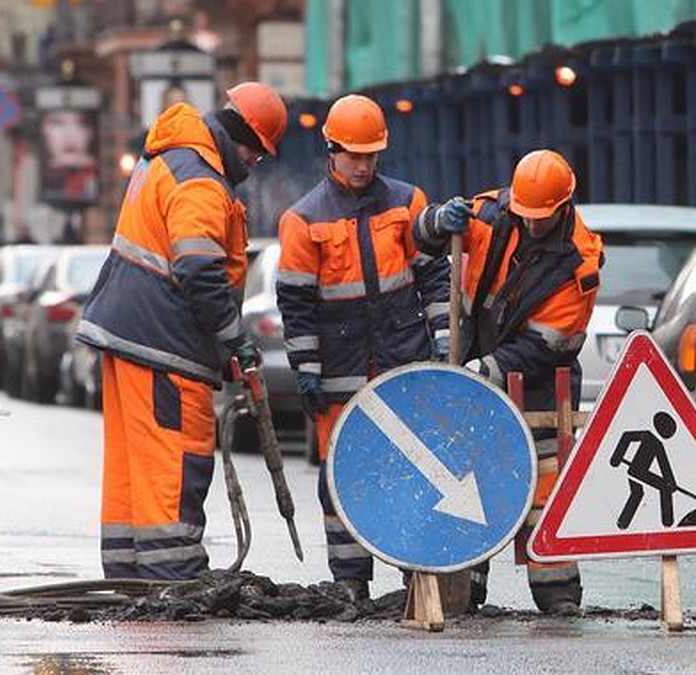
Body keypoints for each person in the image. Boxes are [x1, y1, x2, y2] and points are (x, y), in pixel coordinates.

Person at [75, 82, 288, 579]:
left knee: (135, 469)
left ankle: (131, 577)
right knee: (174, 462)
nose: (255, 165)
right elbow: (198, 269)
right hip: (163, 346)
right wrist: (233, 337)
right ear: (243, 140)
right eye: (256, 155)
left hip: (130, 339)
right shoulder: (201, 181)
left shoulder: (169, 160)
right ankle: (171, 576)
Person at [276, 94, 451, 601]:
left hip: (402, 361)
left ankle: (415, 573)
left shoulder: (407, 203)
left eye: (371, 155)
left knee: (414, 466)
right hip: (340, 369)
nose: (363, 165)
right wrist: (306, 369)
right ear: (331, 150)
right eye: (354, 155)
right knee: (342, 475)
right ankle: (350, 580)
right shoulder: (302, 220)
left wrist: (441, 341)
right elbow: (297, 304)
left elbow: (434, 280)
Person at [414, 149, 604, 614]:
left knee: (542, 487)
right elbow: (420, 238)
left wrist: (486, 370)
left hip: (537, 383)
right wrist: (438, 220)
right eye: (526, 215)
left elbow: (550, 346)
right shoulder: (488, 214)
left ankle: (557, 594)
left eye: (541, 218)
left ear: (563, 207)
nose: (532, 224)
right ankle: (464, 590)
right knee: (469, 481)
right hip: (475, 361)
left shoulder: (579, 264)